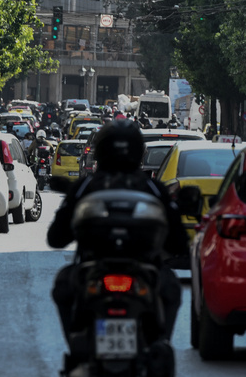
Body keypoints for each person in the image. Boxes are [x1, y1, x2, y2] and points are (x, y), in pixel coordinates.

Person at [48, 120, 189, 344]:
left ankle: (78, 344)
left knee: (64, 285)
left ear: (100, 151)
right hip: (138, 272)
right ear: (138, 151)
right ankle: (160, 344)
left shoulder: (86, 186)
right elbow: (179, 243)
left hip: (99, 272)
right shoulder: (152, 188)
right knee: (170, 287)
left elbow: (56, 238)